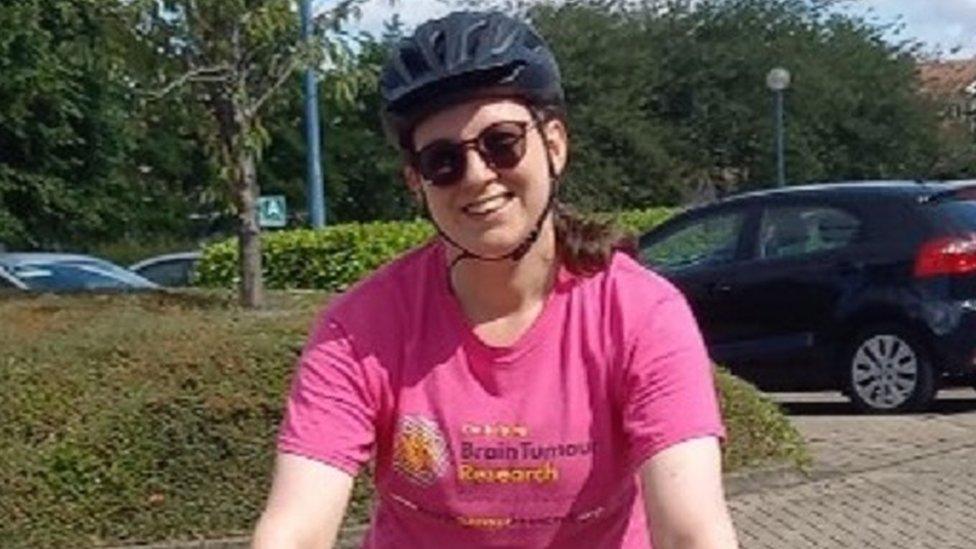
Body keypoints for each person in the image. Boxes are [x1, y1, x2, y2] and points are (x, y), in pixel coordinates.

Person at [252, 10, 738, 549]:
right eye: (443, 161)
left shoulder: (640, 314)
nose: (479, 175)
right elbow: (294, 530)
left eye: (501, 143)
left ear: (553, 144)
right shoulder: (360, 330)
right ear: (416, 182)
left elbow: (693, 531)